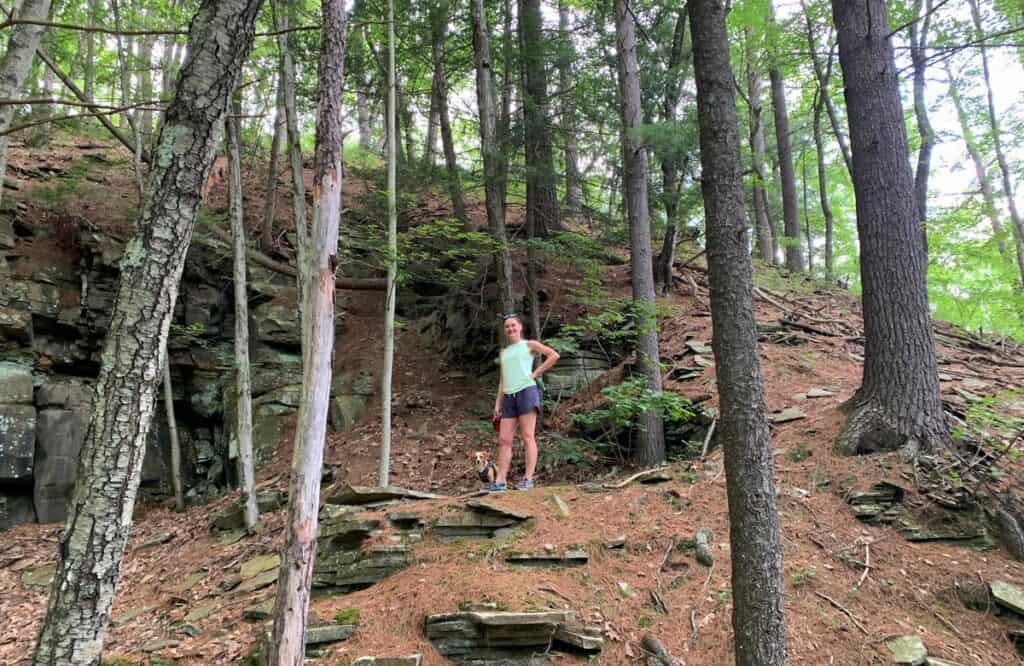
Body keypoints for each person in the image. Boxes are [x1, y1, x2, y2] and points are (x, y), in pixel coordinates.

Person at [485, 313, 560, 492]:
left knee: (527, 436)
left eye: (513, 325)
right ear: (504, 331)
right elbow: (503, 379)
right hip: (509, 397)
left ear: (520, 327)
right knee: (504, 440)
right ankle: (500, 481)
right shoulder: (504, 352)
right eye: (507, 327)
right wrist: (498, 403)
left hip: (527, 392)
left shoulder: (529, 345)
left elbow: (553, 355)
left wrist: (535, 373)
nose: (510, 329)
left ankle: (527, 479)